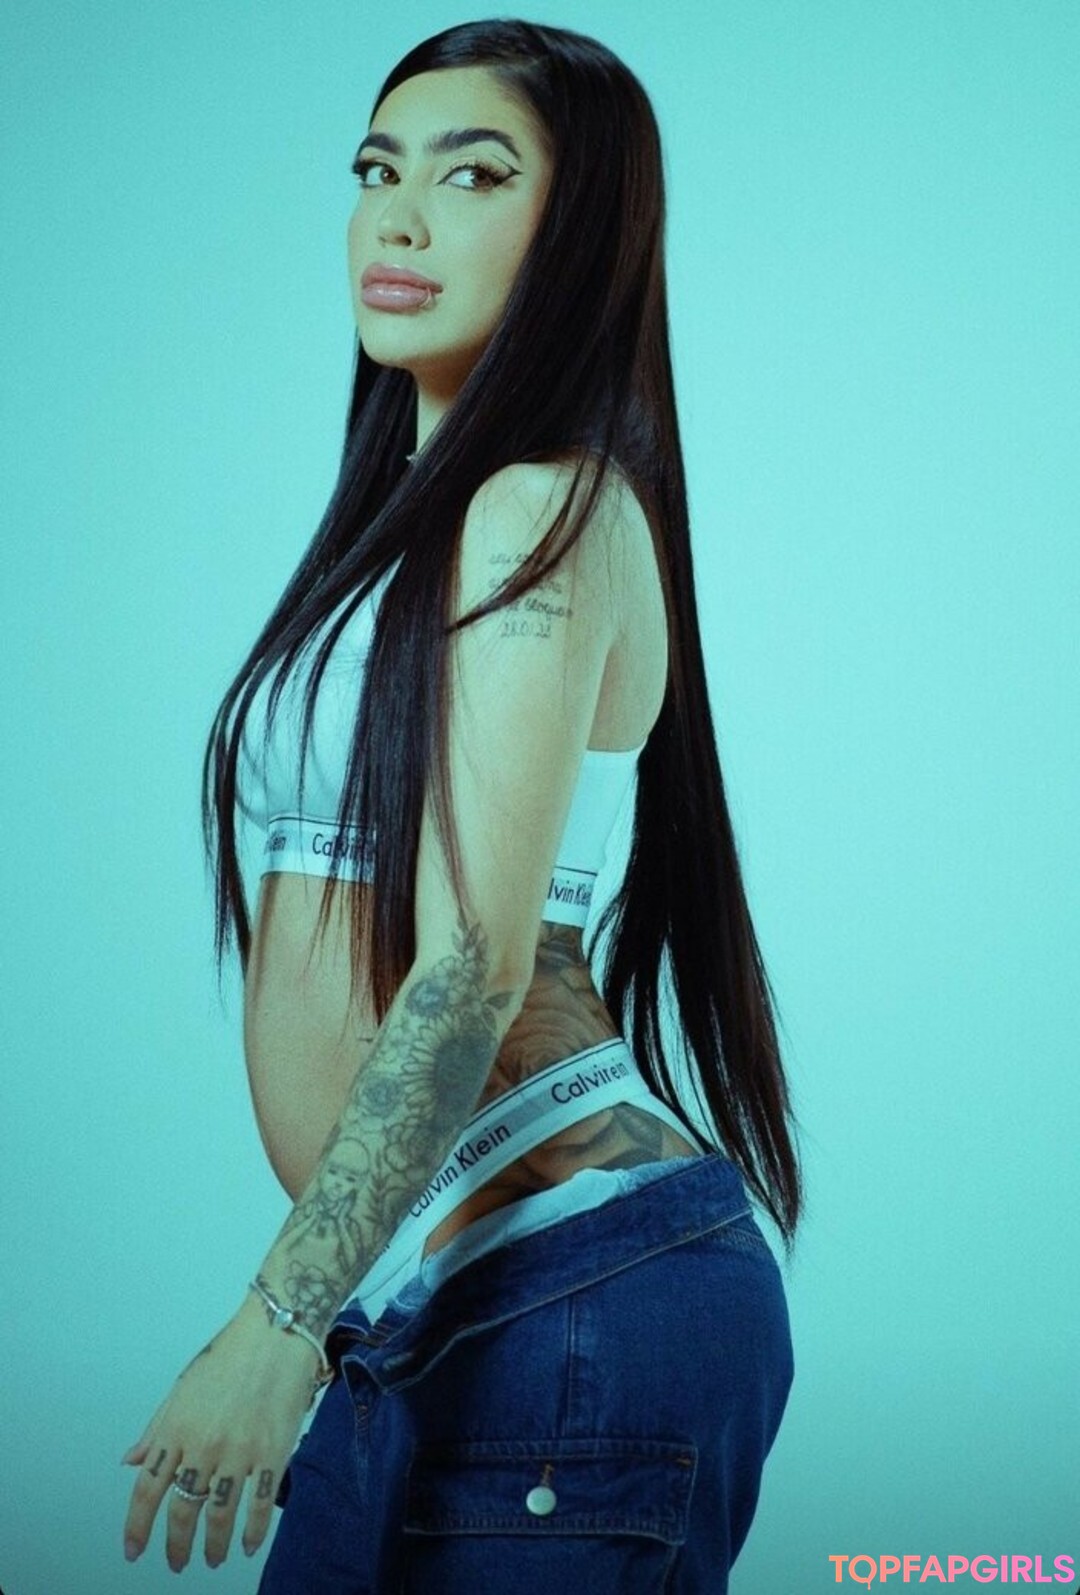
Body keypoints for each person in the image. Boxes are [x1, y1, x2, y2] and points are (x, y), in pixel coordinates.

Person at [121, 19, 804, 1591]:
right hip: (461, 1295)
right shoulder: (415, 531)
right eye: (378, 169)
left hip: (572, 1292)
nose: (400, 216)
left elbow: (477, 962)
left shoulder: (536, 511)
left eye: (474, 174)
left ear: (579, 231)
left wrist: (274, 1326)